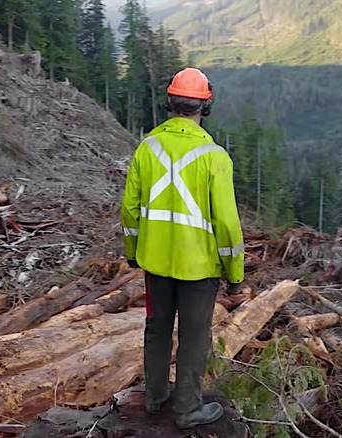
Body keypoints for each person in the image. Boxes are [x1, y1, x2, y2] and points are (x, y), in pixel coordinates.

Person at [121, 67, 244, 429]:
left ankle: (155, 397)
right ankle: (188, 408)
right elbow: (226, 224)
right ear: (205, 107)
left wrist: (134, 251)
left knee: (157, 329)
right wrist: (234, 275)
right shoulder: (214, 156)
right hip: (200, 269)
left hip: (155, 263)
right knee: (194, 336)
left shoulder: (148, 147)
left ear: (170, 102)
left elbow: (130, 208)